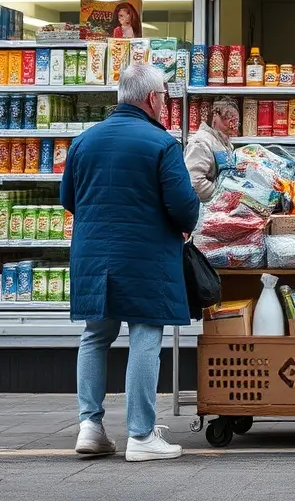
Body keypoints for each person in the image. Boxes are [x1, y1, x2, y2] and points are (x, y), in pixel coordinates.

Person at [61, 64, 200, 462]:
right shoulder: (161, 143)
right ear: (153, 98)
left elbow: (69, 198)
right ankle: (140, 435)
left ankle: (90, 427)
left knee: (95, 335)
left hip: (93, 255)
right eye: (164, 98)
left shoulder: (83, 142)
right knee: (145, 334)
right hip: (145, 254)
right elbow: (183, 205)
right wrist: (187, 222)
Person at [183, 99, 238, 203]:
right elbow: (195, 182)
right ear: (215, 117)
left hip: (218, 209)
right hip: (205, 210)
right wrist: (223, 196)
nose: (233, 125)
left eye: (236, 121)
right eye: (229, 118)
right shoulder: (200, 143)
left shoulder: (224, 142)